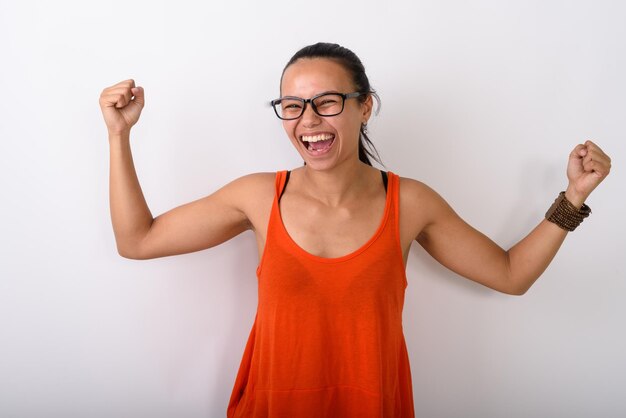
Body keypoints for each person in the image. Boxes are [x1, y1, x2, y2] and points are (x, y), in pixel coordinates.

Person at [99, 42, 611, 418]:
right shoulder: (258, 196)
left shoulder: (408, 201)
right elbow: (137, 240)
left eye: (327, 101)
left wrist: (572, 199)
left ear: (364, 106)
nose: (307, 120)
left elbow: (511, 273)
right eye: (292, 106)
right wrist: (119, 135)